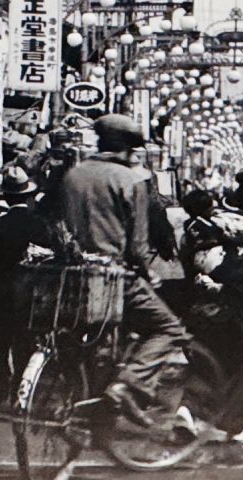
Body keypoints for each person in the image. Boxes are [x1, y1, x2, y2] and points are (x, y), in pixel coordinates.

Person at [57, 113, 193, 428]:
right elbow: (138, 243)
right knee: (170, 329)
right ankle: (127, 384)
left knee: (92, 341)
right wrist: (150, 273)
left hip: (73, 275)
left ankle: (96, 408)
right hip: (113, 275)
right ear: (130, 148)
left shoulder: (73, 175)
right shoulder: (134, 180)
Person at [178, 188, 243, 440]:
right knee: (241, 363)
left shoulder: (191, 229)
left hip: (202, 303)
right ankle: (232, 424)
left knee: (204, 361)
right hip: (237, 304)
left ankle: (187, 409)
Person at [0, 166, 53, 403]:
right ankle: (21, 386)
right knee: (25, 341)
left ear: (5, 196)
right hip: (32, 294)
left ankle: (2, 387)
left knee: (1, 341)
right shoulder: (39, 225)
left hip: (0, 291)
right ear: (28, 196)